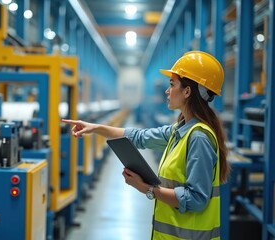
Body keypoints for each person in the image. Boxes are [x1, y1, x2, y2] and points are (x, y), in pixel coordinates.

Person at [62, 51, 229, 240]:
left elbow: (197, 199)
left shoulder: (198, 137)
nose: (167, 91)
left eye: (172, 84)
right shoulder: (179, 131)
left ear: (187, 91)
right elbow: (139, 136)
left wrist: (148, 189)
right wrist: (95, 128)